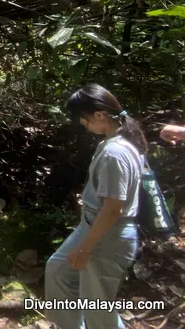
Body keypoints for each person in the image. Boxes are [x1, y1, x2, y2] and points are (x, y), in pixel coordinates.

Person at [45, 84, 145, 329]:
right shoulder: (112, 143)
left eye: (83, 119)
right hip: (92, 226)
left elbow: (113, 208)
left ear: (100, 115)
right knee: (58, 271)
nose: (82, 124)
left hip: (108, 235)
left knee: (98, 310)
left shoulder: (115, 153)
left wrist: (86, 248)